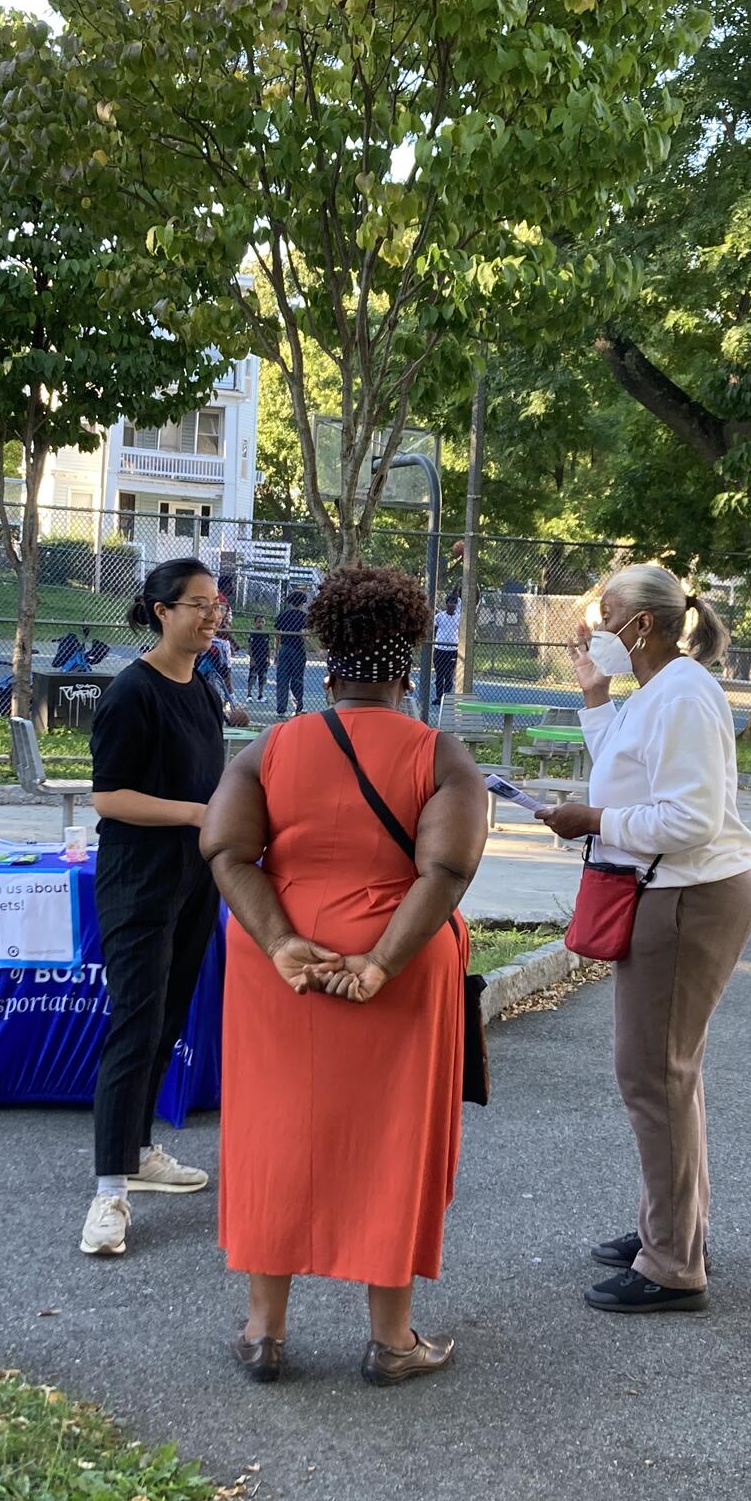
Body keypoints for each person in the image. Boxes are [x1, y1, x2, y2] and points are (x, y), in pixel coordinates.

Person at [202, 566, 489, 1385]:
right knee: (392, 1138)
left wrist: (281, 942)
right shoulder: (442, 755)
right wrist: (378, 963)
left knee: (272, 1132)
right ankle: (392, 1341)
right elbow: (446, 870)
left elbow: (226, 850)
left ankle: (263, 1331)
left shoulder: (273, 746)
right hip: (399, 966)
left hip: (278, 966)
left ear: (330, 666)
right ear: (408, 672)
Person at [535, 564, 751, 1314]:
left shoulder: (685, 694)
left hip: (686, 897)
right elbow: (624, 775)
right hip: (671, 893)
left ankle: (673, 1263)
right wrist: (595, 698)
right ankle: (674, 1229)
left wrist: (592, 822)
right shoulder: (660, 690)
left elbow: (689, 819)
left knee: (653, 1075)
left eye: (607, 616)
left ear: (646, 625)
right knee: (667, 1075)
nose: (597, 630)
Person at [78, 558, 227, 1258]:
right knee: (134, 1025)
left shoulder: (202, 688)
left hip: (193, 880)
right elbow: (109, 797)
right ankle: (109, 1191)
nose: (211, 614)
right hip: (138, 881)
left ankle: (137, 1150)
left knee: (168, 1018)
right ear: (162, 610)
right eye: (197, 603)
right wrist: (198, 813)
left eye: (216, 603)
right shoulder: (131, 693)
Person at [273, 589, 310, 716]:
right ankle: (298, 707)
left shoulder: (283, 615)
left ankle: (281, 708)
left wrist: (276, 651)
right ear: (302, 603)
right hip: (297, 649)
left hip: (284, 647)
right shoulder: (303, 616)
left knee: (282, 678)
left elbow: (278, 634)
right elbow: (304, 634)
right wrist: (316, 649)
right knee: (297, 678)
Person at [431, 593, 461, 705]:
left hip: (452, 650)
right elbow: (434, 630)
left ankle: (447, 698)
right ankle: (438, 697)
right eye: (450, 602)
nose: (452, 605)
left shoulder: (458, 617)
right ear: (446, 604)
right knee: (439, 675)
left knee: (449, 676)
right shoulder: (440, 616)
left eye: (454, 603)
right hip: (440, 649)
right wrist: (436, 642)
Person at [244, 605, 269, 703]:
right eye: (259, 621)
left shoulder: (265, 634)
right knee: (252, 676)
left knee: (262, 677)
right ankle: (249, 695)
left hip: (263, 659)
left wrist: (268, 658)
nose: (260, 624)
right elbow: (250, 647)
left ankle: (260, 695)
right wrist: (252, 659)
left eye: (262, 622)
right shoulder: (253, 634)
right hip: (255, 658)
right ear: (255, 623)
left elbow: (267, 647)